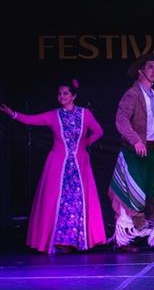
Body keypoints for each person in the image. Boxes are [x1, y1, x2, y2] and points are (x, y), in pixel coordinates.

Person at [1, 80, 105, 254]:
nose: (61, 96)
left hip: (79, 165)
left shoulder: (85, 114)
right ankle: (61, 242)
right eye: (59, 94)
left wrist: (84, 144)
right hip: (58, 164)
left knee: (77, 201)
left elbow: (99, 131)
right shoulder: (53, 115)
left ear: (74, 96)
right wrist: (13, 114)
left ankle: (77, 241)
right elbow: (30, 120)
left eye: (65, 93)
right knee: (57, 202)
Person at [109, 53, 154, 249]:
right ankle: (124, 238)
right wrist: (135, 141)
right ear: (140, 71)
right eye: (150, 66)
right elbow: (121, 119)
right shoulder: (132, 94)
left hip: (152, 151)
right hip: (134, 152)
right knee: (133, 194)